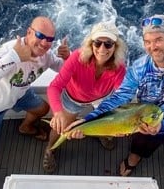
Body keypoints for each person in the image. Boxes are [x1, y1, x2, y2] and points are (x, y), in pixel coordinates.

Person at [67, 14, 164, 189]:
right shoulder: (140, 66)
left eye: (158, 40)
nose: (152, 47)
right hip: (143, 118)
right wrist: (88, 119)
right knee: (139, 146)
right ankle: (134, 159)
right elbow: (121, 96)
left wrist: (161, 125)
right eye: (147, 41)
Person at [44, 21, 127, 173]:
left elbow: (121, 96)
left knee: (109, 126)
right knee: (61, 127)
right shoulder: (77, 57)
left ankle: (105, 135)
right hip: (73, 98)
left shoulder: (119, 67)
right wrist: (57, 113)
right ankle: (50, 149)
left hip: (103, 100)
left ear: (116, 46)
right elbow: (54, 87)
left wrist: (118, 123)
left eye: (108, 44)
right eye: (98, 43)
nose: (102, 49)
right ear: (91, 44)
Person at [0, 16, 70, 149]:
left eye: (50, 39)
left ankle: (25, 127)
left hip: (20, 93)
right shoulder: (8, 51)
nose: (44, 43)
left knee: (42, 109)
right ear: (29, 32)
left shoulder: (46, 56)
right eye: (40, 35)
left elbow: (61, 68)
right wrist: (15, 58)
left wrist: (67, 58)